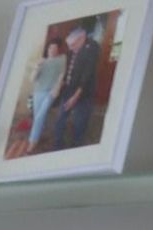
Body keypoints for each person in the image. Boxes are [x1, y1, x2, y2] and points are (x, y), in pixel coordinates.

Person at [50, 20, 100, 150]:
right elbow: (68, 69)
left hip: (83, 93)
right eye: (69, 45)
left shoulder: (92, 47)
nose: (70, 48)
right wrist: (60, 83)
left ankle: (76, 148)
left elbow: (86, 76)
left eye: (73, 45)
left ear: (82, 37)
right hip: (68, 89)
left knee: (79, 122)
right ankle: (57, 146)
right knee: (60, 118)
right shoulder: (72, 49)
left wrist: (75, 97)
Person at [26, 39, 67, 153]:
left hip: (50, 93)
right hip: (38, 92)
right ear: (47, 49)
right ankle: (39, 134)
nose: (53, 50)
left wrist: (57, 88)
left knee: (40, 116)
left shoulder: (61, 60)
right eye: (51, 48)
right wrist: (37, 67)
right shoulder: (41, 62)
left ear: (58, 50)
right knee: (38, 116)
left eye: (55, 48)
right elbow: (32, 79)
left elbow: (61, 75)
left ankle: (32, 142)